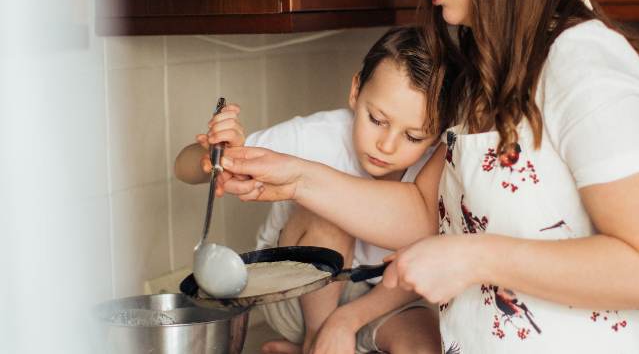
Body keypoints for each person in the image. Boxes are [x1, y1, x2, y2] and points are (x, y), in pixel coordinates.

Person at [213, 0, 639, 353]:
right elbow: (424, 208)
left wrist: (471, 257)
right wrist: (294, 175)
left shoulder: (583, 62)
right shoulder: (484, 67)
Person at [175, 26, 457, 354]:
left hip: (383, 300)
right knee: (329, 215)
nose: (387, 144)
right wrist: (215, 154)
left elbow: (426, 263)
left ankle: (318, 344)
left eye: (413, 137)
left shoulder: (435, 169)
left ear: (437, 136)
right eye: (377, 119)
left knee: (425, 346)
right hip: (295, 296)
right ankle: (314, 341)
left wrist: (347, 321)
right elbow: (183, 167)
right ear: (355, 91)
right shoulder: (315, 136)